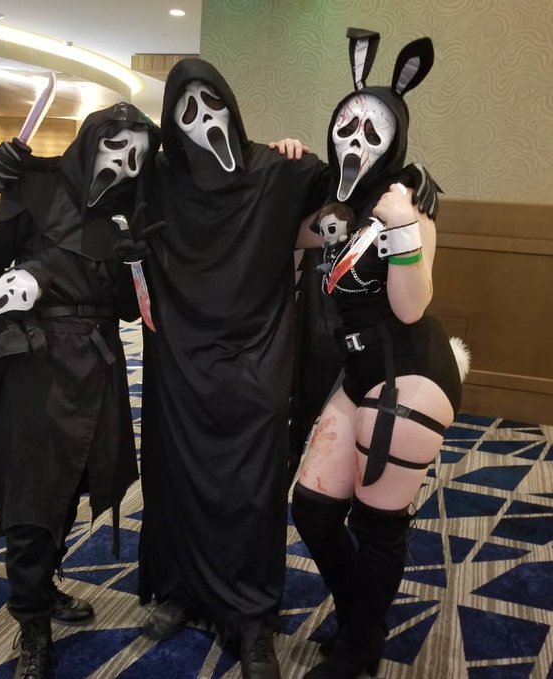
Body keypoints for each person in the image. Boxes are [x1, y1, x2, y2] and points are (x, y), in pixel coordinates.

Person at [135, 58, 440, 679]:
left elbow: (365, 203)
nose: (204, 119)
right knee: (230, 490)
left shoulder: (296, 177)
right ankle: (190, 590)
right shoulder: (169, 179)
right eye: (187, 110)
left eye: (212, 103)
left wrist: (413, 198)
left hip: (330, 367)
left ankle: (276, 622)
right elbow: (96, 179)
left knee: (285, 498)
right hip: (211, 365)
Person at [0, 103, 160, 679]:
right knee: (31, 497)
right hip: (33, 364)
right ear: (90, 141)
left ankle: (43, 587)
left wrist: (135, 266)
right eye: (115, 146)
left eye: (138, 156)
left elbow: (131, 311)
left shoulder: (132, 213)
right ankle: (31, 622)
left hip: (96, 366)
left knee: (73, 482)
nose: (124, 164)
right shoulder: (37, 189)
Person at [287, 30, 468, 679]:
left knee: (377, 523)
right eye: (346, 126)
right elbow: (294, 237)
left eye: (372, 130)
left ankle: (360, 648)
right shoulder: (341, 207)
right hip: (360, 368)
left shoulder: (409, 204)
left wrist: (402, 226)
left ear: (395, 139)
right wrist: (285, 161)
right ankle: (362, 617)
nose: (355, 139)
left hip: (413, 371)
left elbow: (412, 306)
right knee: (312, 509)